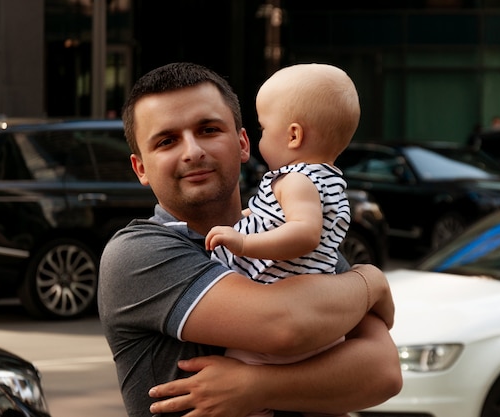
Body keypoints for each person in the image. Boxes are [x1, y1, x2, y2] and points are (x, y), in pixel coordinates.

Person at [98, 62, 402, 417]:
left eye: (208, 129)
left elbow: (383, 371)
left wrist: (255, 387)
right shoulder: (137, 253)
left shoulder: (292, 235)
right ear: (141, 169)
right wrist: (370, 282)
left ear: (243, 143)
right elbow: (285, 325)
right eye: (167, 141)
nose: (192, 151)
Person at [205, 63, 358, 417]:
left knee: (240, 384)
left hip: (281, 314)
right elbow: (284, 222)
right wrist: (253, 221)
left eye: (262, 128)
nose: (259, 138)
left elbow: (304, 233)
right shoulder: (331, 180)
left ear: (293, 136)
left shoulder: (294, 179)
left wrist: (243, 244)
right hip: (319, 322)